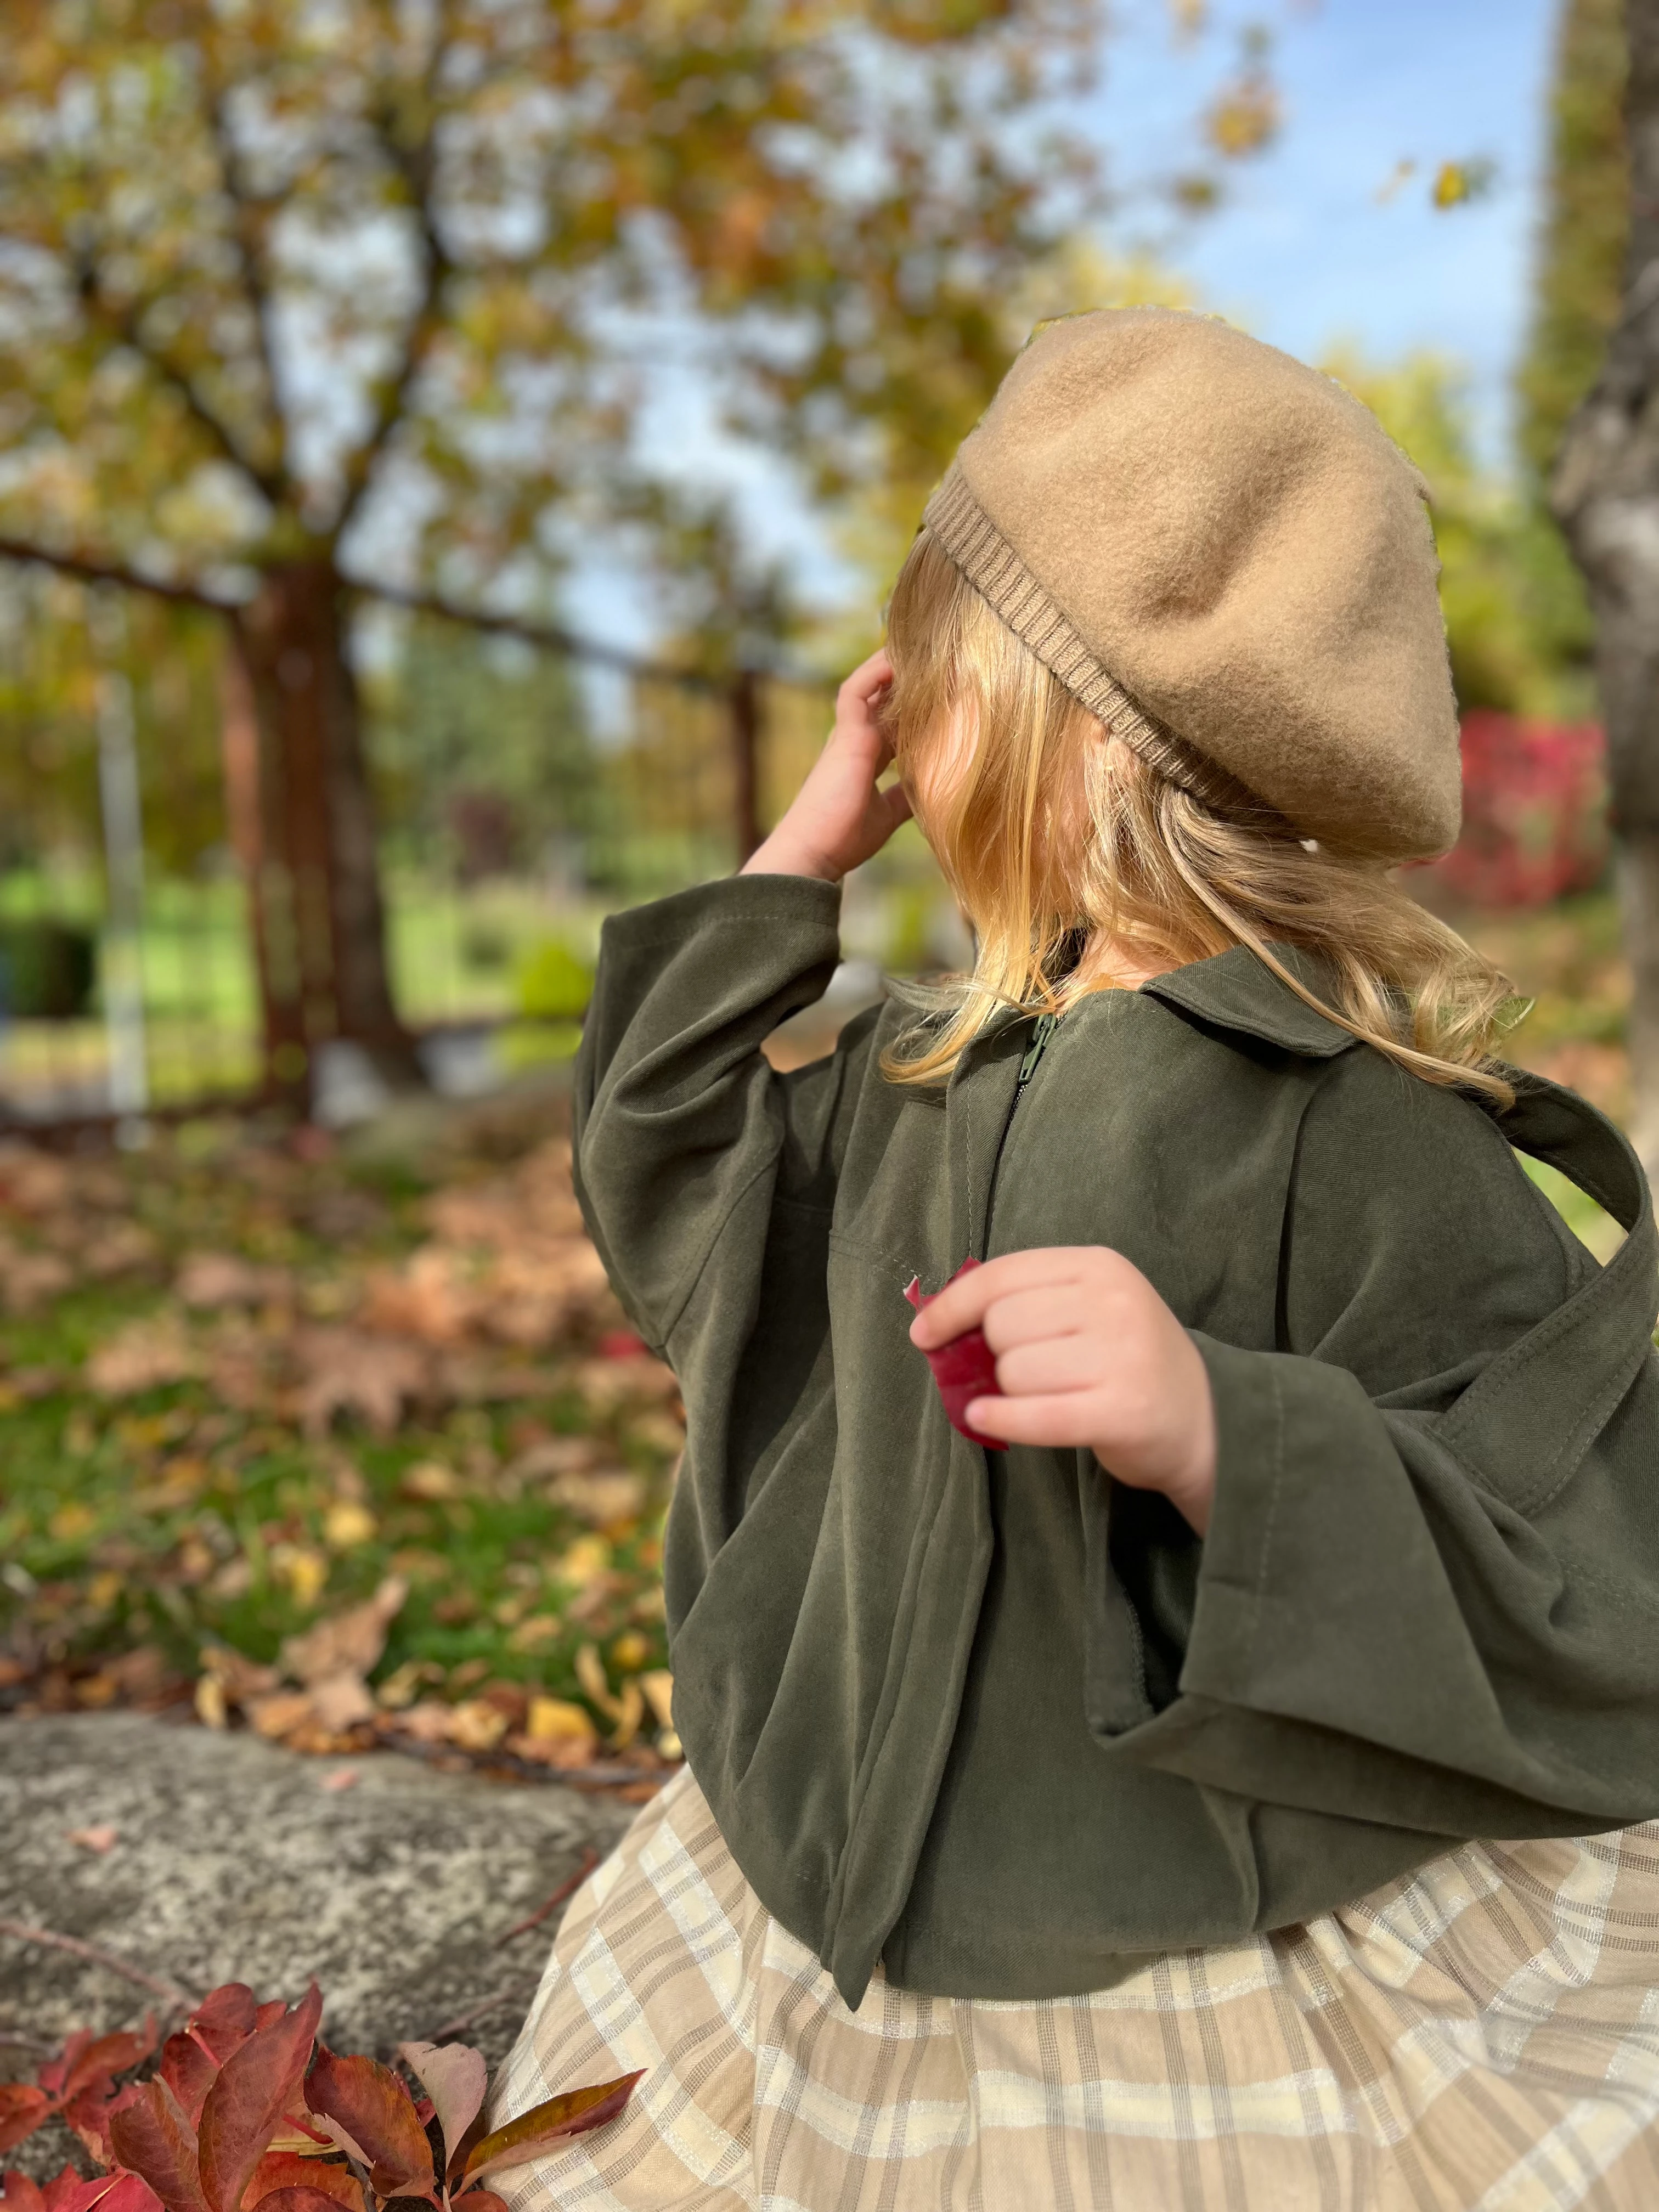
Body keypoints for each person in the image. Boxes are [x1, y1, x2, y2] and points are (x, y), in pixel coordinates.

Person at [493, 308, 1659, 2209]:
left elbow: (1577, 1534)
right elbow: (667, 1187)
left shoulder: (1354, 1130)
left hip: (1178, 1898)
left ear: (1076, 736)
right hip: (849, 1836)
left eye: (927, 683)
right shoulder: (924, 1071)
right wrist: (798, 857)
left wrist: (1227, 1432)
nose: (887, 725)